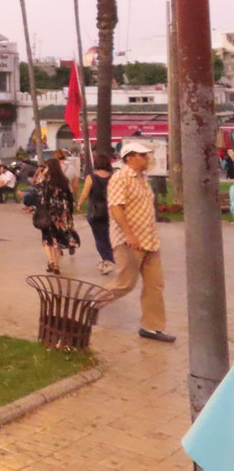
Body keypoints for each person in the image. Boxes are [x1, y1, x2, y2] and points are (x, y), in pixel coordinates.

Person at [106, 142, 175, 342]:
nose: (147, 159)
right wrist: (129, 235)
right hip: (129, 241)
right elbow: (116, 208)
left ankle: (152, 327)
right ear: (129, 157)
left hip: (150, 241)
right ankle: (88, 304)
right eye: (142, 155)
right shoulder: (120, 178)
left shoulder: (143, 180)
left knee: (155, 284)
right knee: (125, 283)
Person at [33, 158, 78, 274]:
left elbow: (37, 191)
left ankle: (50, 260)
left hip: (48, 212)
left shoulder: (45, 180)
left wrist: (40, 173)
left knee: (47, 238)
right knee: (58, 238)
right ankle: (57, 264)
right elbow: (70, 196)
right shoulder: (64, 181)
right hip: (62, 213)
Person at [77, 153, 115, 275]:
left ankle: (108, 259)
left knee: (99, 237)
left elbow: (85, 193)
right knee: (108, 235)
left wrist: (79, 203)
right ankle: (106, 259)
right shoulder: (112, 177)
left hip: (95, 210)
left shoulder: (91, 178)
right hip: (110, 210)